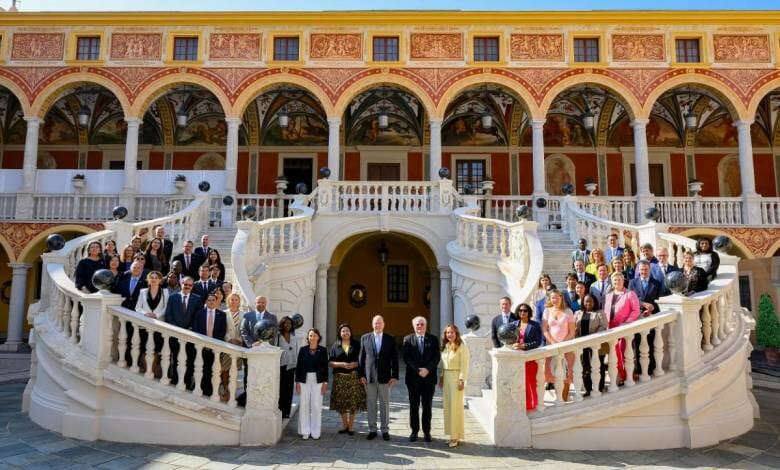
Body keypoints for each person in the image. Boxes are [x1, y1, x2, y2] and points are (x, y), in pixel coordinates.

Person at [358, 315, 398, 441]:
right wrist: (361, 375)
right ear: (372, 324)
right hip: (369, 377)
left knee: (384, 404)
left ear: (383, 324)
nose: (377, 325)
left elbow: (395, 359)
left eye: (379, 323)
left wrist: (395, 375)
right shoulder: (365, 338)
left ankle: (385, 430)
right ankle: (372, 430)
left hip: (385, 377)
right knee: (371, 404)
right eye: (375, 323)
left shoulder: (390, 339)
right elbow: (361, 359)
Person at [402, 316, 440, 443]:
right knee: (414, 406)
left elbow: (436, 357)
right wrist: (418, 370)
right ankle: (414, 431)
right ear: (414, 326)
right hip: (413, 378)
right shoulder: (407, 339)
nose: (419, 326)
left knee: (427, 406)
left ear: (426, 325)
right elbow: (407, 358)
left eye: (422, 324)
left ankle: (427, 432)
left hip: (429, 379)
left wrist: (427, 369)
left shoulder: (433, 339)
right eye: (417, 324)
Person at [603, 272, 641, 384]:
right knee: (614, 355)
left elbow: (636, 311)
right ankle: (619, 378)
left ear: (623, 280)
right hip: (611, 328)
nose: (617, 282)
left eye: (619, 279)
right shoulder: (608, 295)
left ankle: (628, 376)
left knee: (624, 353)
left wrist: (627, 322)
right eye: (614, 280)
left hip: (624, 328)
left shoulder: (630, 294)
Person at [329, 323, 365, 435]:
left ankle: (351, 427)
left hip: (353, 377)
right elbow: (330, 362)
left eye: (347, 331)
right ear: (340, 333)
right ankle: (345, 425)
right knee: (342, 402)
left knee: (353, 402)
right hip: (340, 378)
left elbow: (363, 360)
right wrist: (341, 364)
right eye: (343, 331)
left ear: (350, 332)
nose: (345, 333)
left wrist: (355, 364)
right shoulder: (335, 345)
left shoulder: (357, 344)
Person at [628, 260, 663, 376]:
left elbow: (660, 300)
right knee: (638, 343)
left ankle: (652, 367)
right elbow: (630, 300)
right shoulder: (632, 283)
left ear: (650, 270)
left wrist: (653, 307)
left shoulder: (656, 283)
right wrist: (643, 304)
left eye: (646, 269)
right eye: (641, 269)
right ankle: (640, 369)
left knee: (652, 342)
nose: (643, 272)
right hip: (637, 317)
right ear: (638, 270)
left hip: (652, 317)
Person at [164, 277, 200, 385]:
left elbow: (197, 317)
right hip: (175, 334)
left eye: (190, 285)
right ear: (181, 284)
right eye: (186, 284)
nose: (188, 287)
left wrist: (190, 329)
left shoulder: (197, 299)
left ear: (192, 286)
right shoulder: (172, 297)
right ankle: (175, 380)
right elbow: (168, 316)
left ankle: (187, 382)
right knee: (175, 359)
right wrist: (177, 330)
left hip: (190, 335)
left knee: (189, 360)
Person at [438, 323, 470, 448]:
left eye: (452, 332)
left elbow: (464, 364)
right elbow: (442, 364)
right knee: (448, 407)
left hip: (456, 378)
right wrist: (441, 378)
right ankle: (451, 433)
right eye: (447, 332)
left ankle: (455, 436)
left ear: (456, 333)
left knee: (455, 408)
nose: (450, 334)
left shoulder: (462, 346)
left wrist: (462, 380)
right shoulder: (445, 346)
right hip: (446, 378)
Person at [541, 290, 576, 401]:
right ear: (550, 299)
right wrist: (553, 342)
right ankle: (558, 398)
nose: (555, 300)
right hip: (551, 347)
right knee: (551, 373)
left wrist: (562, 344)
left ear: (561, 298)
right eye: (552, 298)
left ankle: (564, 399)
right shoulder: (547, 311)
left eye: (557, 297)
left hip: (566, 347)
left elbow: (572, 332)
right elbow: (545, 330)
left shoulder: (568, 312)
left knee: (567, 374)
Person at [295, 328, 329, 440]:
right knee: (304, 404)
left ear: (318, 337)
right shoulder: (303, 350)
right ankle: (305, 431)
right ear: (308, 338)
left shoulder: (323, 350)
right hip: (304, 379)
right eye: (310, 335)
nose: (312, 337)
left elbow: (325, 368)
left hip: (318, 380)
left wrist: (325, 383)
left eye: (314, 335)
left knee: (316, 405)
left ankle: (315, 432)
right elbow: (298, 367)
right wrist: (297, 382)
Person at [191, 293, 227, 396]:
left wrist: (213, 344)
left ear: (216, 302)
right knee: (200, 368)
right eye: (209, 300)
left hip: (214, 348)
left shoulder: (222, 315)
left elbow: (222, 331)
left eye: (213, 300)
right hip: (201, 347)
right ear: (206, 301)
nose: (211, 302)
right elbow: (195, 329)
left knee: (212, 370)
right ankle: (198, 387)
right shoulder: (199, 313)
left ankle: (209, 391)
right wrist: (203, 343)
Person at [135, 270, 169, 377]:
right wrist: (146, 313)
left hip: (159, 325)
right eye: (152, 278)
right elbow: (137, 308)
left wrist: (157, 315)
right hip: (145, 324)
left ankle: (153, 371)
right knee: (145, 348)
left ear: (160, 280)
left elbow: (166, 307)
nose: (154, 279)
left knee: (156, 349)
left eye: (156, 278)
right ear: (148, 280)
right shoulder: (143, 292)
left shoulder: (165, 292)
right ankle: (145, 369)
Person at [574, 294, 608, 395]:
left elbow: (603, 326)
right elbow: (574, 328)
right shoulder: (578, 313)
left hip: (596, 344)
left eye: (591, 301)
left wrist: (591, 338)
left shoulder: (599, 313)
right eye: (586, 301)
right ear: (583, 302)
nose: (588, 303)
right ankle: (588, 389)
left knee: (599, 366)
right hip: (582, 344)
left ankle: (599, 387)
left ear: (595, 302)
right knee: (585, 366)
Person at [510, 303, 542, 410]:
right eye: (520, 310)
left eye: (525, 310)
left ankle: (532, 405)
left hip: (529, 358)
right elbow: (509, 340)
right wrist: (513, 344)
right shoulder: (514, 324)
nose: (522, 312)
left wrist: (524, 346)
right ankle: (520, 405)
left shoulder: (535, 325)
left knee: (530, 382)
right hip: (516, 359)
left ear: (529, 312)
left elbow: (538, 342)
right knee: (517, 383)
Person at [277, 316, 298, 419]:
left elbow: (296, 350)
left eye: (289, 323)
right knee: (281, 389)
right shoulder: (278, 336)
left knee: (289, 389)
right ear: (282, 324)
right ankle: (280, 410)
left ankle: (286, 412)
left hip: (291, 365)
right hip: (281, 366)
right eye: (285, 323)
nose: (287, 325)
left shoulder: (294, 336)